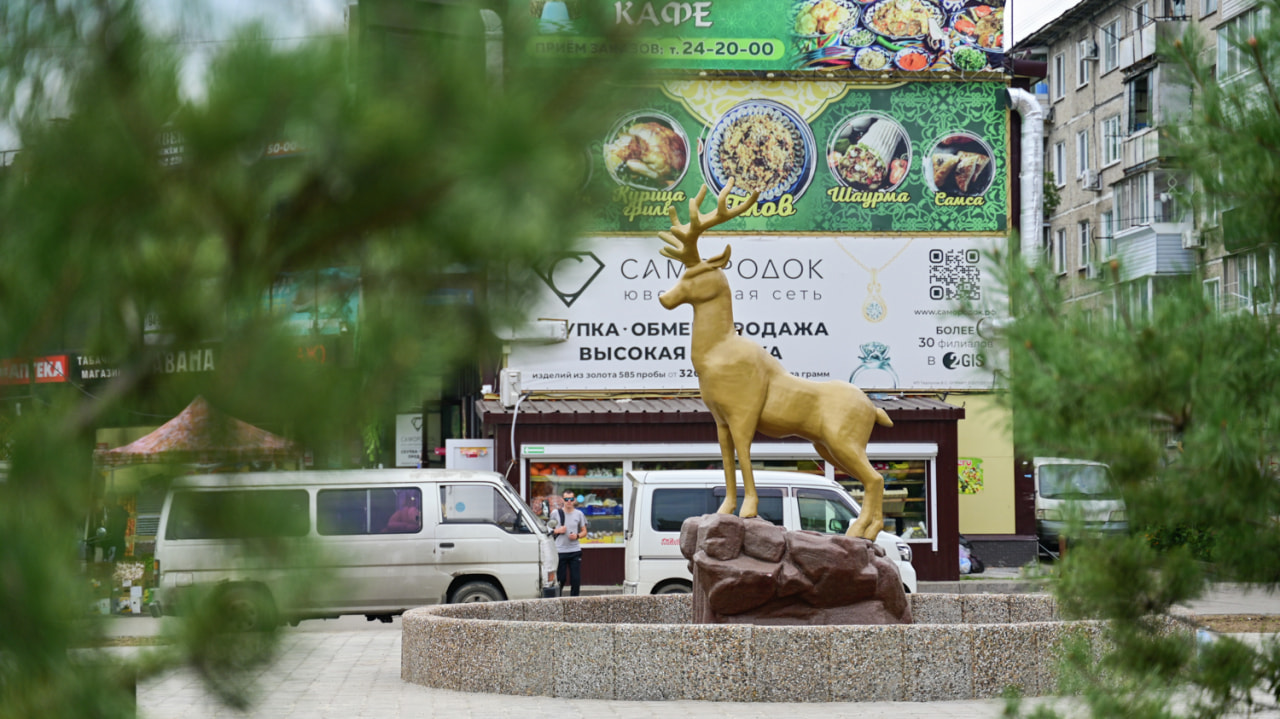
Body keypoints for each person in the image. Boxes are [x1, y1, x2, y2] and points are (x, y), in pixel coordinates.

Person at [553, 492, 588, 597]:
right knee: (561, 578)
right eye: (566, 499)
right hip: (560, 550)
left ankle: (574, 601)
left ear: (574, 500)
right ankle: (558, 599)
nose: (569, 502)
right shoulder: (555, 513)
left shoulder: (579, 514)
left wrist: (577, 536)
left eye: (571, 499)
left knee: (575, 579)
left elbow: (584, 531)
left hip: (575, 550)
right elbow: (549, 529)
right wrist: (559, 530)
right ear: (562, 500)